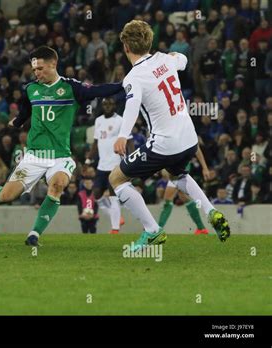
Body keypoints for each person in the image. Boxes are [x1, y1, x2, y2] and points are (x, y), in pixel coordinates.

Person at [0, 46, 124, 246]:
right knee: (7, 195)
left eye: (41, 68)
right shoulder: (30, 89)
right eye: (34, 69)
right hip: (34, 156)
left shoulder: (71, 88)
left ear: (54, 64)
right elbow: (26, 110)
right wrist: (17, 122)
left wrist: (123, 85)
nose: (37, 73)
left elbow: (99, 90)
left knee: (57, 185)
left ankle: (34, 235)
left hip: (60, 156)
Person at [109, 20, 231, 252]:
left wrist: (122, 135)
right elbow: (183, 61)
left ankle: (152, 231)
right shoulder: (165, 59)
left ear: (125, 46)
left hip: (166, 143)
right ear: (150, 41)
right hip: (189, 139)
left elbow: (132, 105)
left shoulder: (133, 77)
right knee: (177, 174)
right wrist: (174, 55)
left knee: (116, 179)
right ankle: (211, 211)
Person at [86, 97, 131, 234]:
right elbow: (95, 142)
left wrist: (130, 160)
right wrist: (88, 159)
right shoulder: (98, 120)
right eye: (105, 104)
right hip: (101, 165)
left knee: (113, 196)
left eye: (110, 104)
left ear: (114, 105)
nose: (107, 106)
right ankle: (116, 217)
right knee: (97, 194)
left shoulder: (121, 121)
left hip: (115, 165)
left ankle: (115, 229)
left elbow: (129, 142)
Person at [158, 146, 211, 235]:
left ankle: (157, 230)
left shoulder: (183, 135)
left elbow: (197, 148)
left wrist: (204, 167)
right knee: (182, 197)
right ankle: (201, 228)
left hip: (180, 167)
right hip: (176, 167)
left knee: (168, 199)